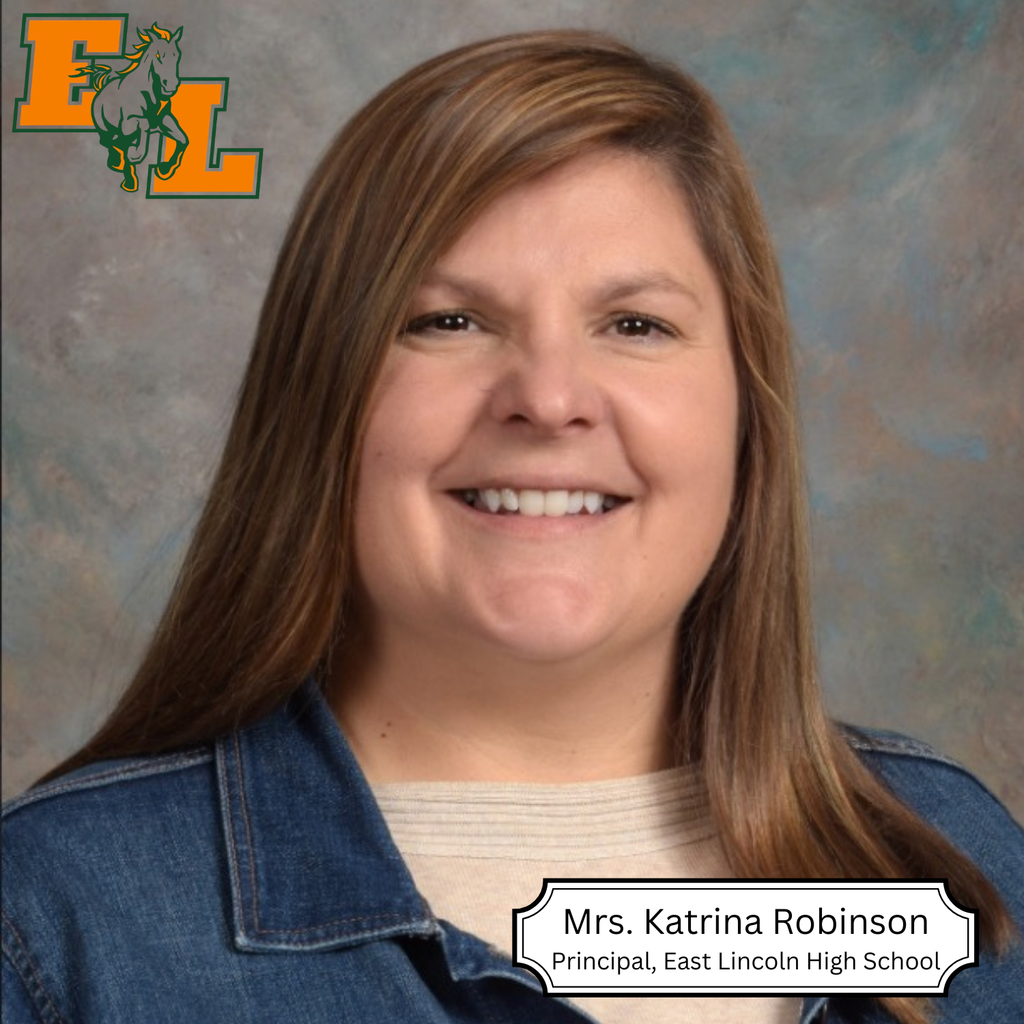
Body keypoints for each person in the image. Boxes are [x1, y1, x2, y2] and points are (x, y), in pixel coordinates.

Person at [2, 30, 1021, 1024]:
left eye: (634, 325)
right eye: (449, 321)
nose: (548, 398)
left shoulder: (960, 861)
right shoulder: (58, 922)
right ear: (319, 402)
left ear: (746, 411)